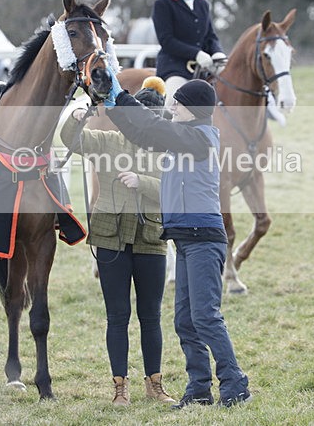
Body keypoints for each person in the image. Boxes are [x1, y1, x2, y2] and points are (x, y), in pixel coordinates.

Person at [104, 76, 252, 409]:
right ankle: (199, 389)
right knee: (185, 321)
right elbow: (140, 132)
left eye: (178, 103)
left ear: (194, 110)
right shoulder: (181, 138)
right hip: (186, 240)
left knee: (205, 317)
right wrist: (110, 99)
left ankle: (235, 382)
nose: (171, 107)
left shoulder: (200, 138)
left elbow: (154, 125)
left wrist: (120, 93)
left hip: (203, 238)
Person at [60, 77, 175, 406]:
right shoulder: (107, 140)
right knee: (117, 316)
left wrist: (142, 182)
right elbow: (70, 140)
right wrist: (78, 117)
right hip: (111, 239)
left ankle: (155, 384)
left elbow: (171, 191)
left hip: (151, 239)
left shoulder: (167, 148)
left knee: (151, 316)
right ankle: (119, 388)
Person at [152, 0, 226, 108]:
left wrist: (217, 52)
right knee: (173, 103)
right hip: (175, 69)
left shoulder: (202, 3)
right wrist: (196, 53)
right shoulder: (163, 4)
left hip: (205, 67)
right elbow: (167, 41)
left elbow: (210, 36)